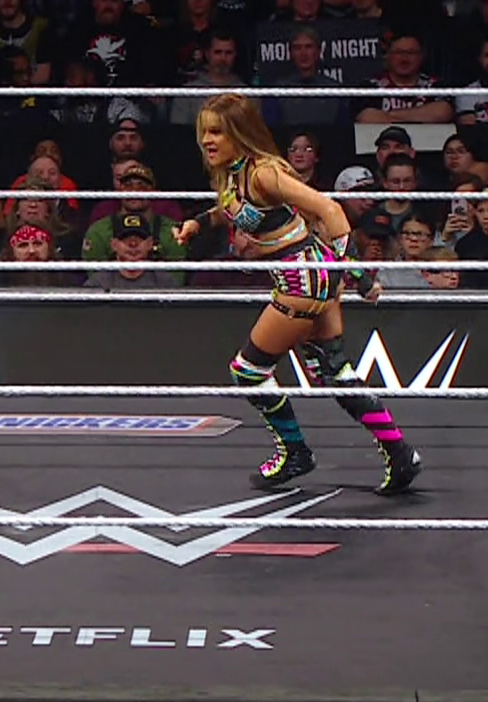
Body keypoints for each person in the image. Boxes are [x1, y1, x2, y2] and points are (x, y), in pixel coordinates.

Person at [173, 93, 421, 494]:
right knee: (335, 373)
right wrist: (198, 224)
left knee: (248, 372)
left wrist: (357, 273)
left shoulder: (263, 173)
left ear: (240, 132)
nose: (207, 140)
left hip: (302, 279)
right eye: (204, 132)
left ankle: (295, 452)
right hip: (309, 274)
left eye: (217, 131)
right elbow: (231, 209)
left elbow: (330, 210)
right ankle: (400, 453)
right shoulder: (233, 175)